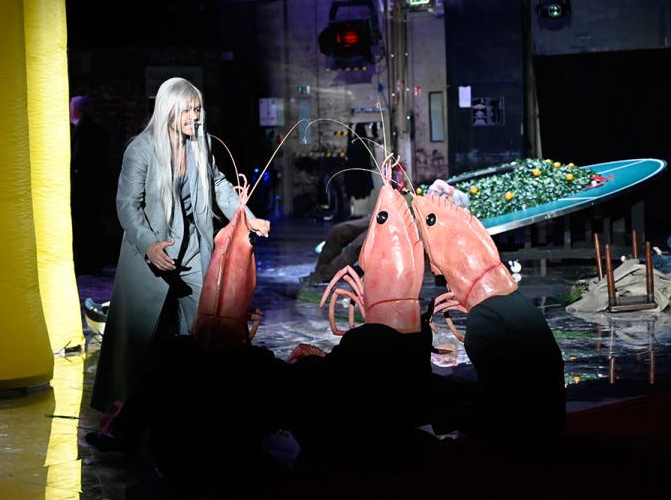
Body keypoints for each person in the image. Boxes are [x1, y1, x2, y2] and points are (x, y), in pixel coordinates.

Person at [89, 77, 271, 416]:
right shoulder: (141, 149)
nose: (195, 116)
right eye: (187, 109)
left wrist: (248, 217)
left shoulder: (200, 146)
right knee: (144, 339)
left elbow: (219, 185)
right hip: (152, 256)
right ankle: (127, 413)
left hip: (194, 254)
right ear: (168, 110)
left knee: (202, 329)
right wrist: (148, 244)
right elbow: (128, 204)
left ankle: (197, 404)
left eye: (198, 109)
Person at [301, 179, 469, 285]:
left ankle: (324, 276)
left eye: (447, 198)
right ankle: (319, 270)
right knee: (340, 230)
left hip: (404, 225)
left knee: (360, 244)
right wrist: (440, 190)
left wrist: (447, 196)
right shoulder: (436, 194)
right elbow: (438, 183)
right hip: (397, 212)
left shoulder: (451, 209)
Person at [70, 94, 111, 276]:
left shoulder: (83, 130)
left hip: (84, 188)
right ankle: (92, 263)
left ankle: (86, 263)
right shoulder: (96, 129)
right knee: (90, 226)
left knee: (84, 226)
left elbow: (79, 159)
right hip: (92, 187)